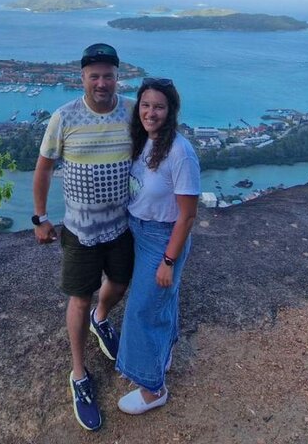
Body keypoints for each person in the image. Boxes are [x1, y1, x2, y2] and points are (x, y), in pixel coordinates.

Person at [32, 43, 135, 431]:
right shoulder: (64, 117)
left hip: (122, 225)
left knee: (120, 283)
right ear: (82, 78)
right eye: (95, 76)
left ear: (117, 77)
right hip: (80, 230)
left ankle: (101, 319)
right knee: (79, 297)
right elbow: (44, 168)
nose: (102, 83)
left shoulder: (132, 112)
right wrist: (40, 217)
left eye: (108, 75)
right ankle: (79, 374)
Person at [115, 77, 200, 415]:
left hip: (163, 238)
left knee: (142, 310)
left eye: (159, 107)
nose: (150, 113)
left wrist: (168, 260)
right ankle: (161, 357)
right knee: (161, 303)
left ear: (171, 110)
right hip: (137, 230)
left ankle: (153, 389)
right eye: (146, 105)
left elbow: (188, 216)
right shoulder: (144, 141)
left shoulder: (180, 153)